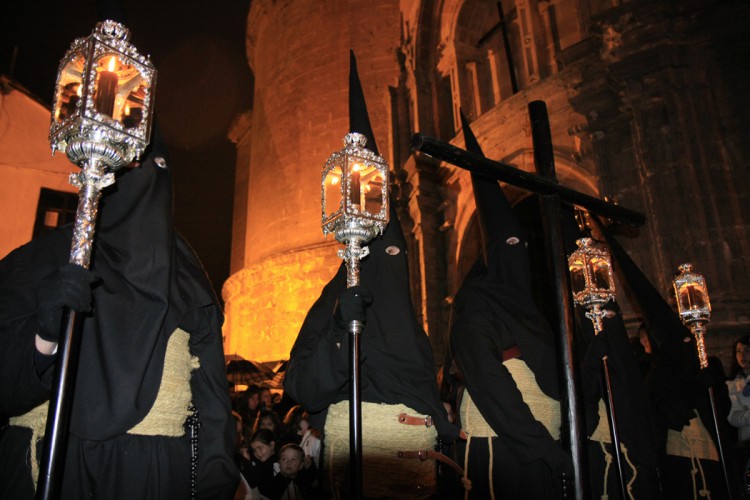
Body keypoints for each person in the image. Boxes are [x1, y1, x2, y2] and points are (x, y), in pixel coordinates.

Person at [0, 133, 239, 499]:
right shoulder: (45, 259)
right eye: (134, 163)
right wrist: (43, 337)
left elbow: (211, 396)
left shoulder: (186, 276)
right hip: (54, 463)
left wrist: (214, 479)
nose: (148, 175)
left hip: (155, 473)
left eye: (160, 166)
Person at [284, 52, 459, 499]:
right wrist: (342, 330)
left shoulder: (407, 321)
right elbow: (303, 386)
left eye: (399, 253)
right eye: (389, 252)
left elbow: (423, 387)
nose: (394, 261)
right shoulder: (332, 301)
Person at [446, 112, 571, 499]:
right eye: (508, 248)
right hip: (504, 448)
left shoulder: (528, 307)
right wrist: (541, 446)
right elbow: (488, 379)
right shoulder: (475, 302)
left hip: (542, 444)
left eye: (523, 248)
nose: (518, 257)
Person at [247, 428, 280, 498]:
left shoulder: (281, 464)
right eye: (254, 450)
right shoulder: (255, 464)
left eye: (260, 448)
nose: (258, 453)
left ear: (271, 445)